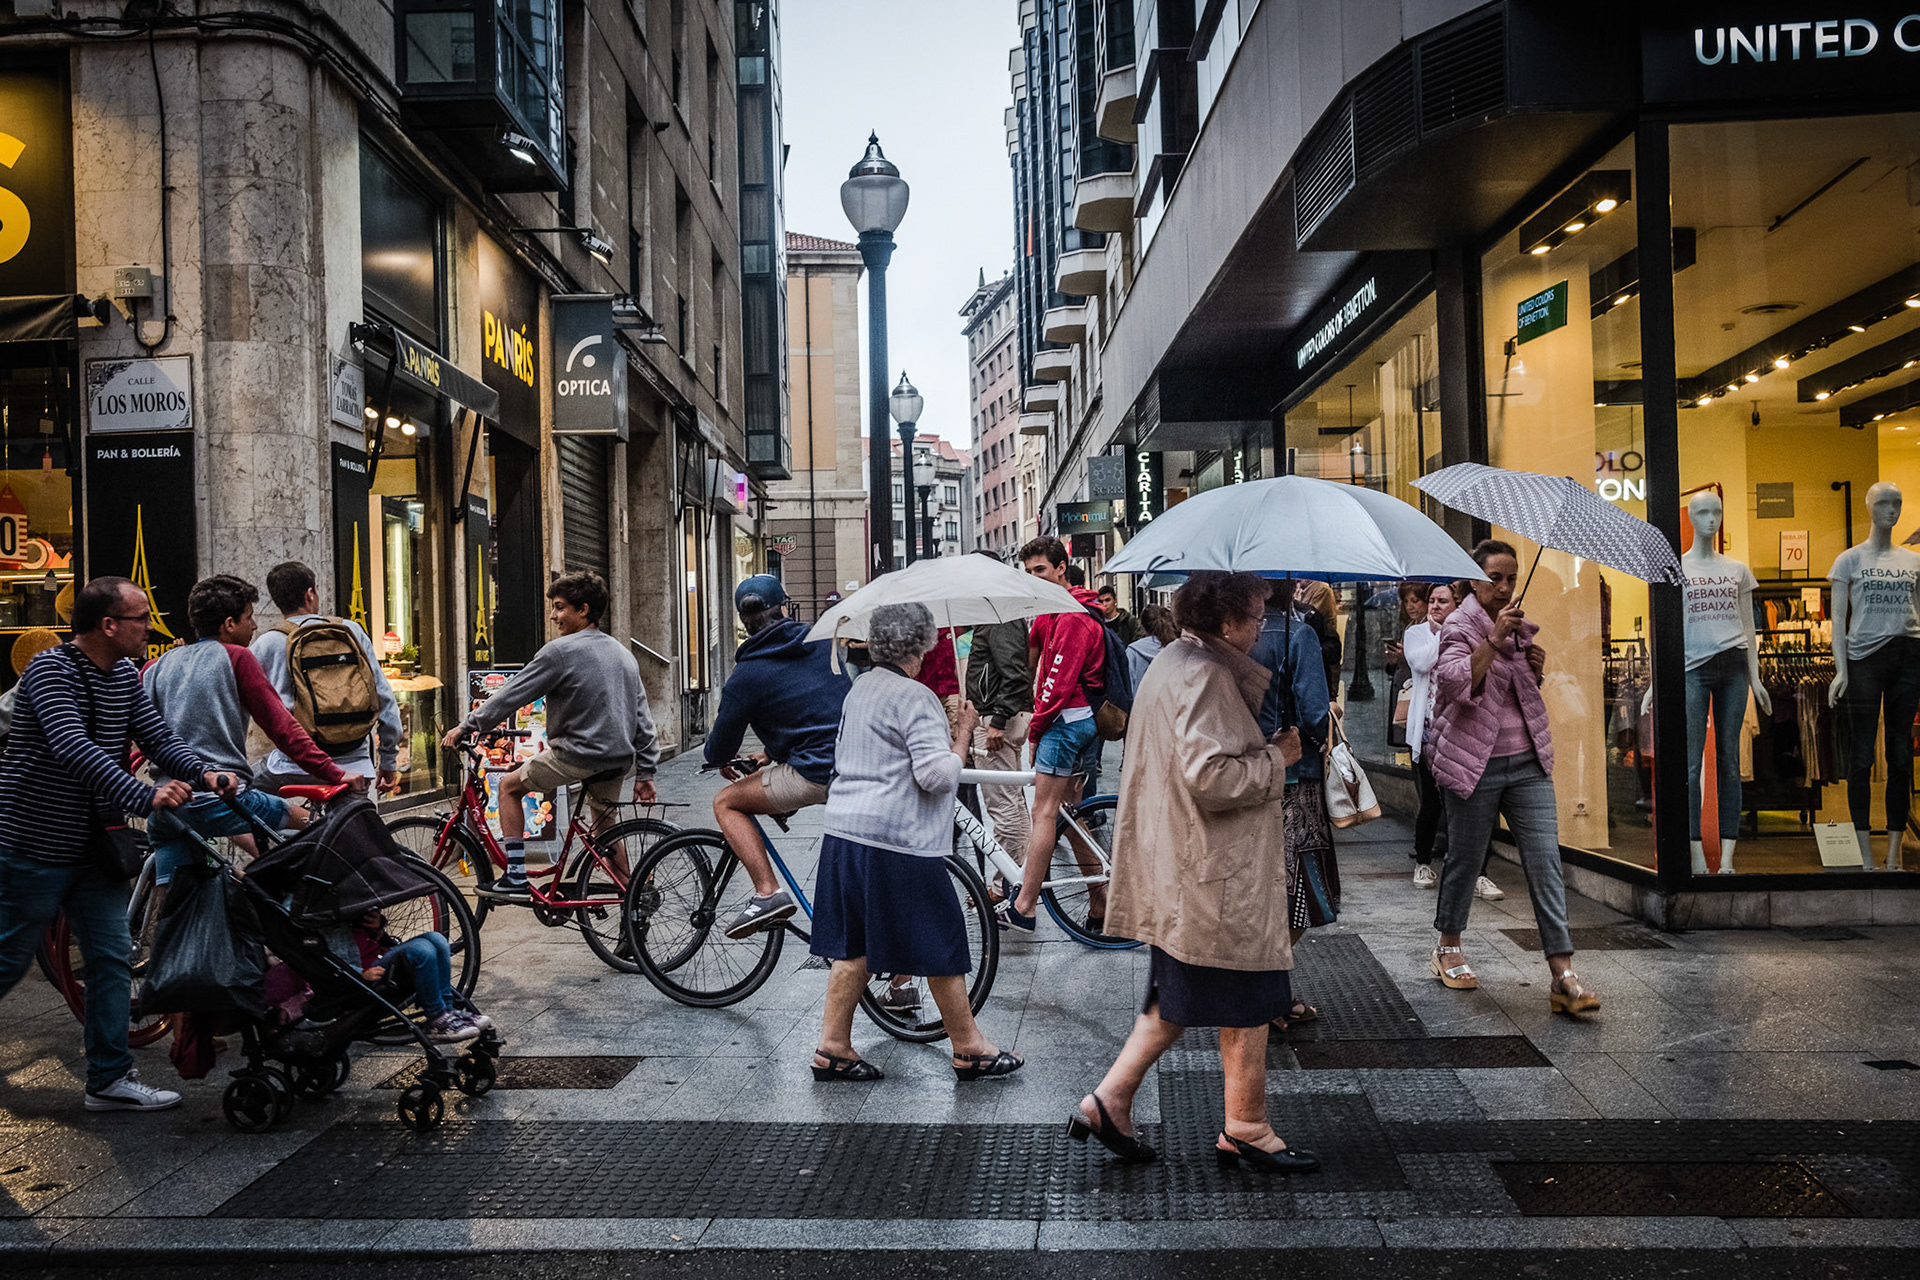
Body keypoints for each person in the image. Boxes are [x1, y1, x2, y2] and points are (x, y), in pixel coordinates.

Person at [1070, 572, 1317, 1174]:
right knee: (1240, 992)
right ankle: (1243, 1125)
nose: (1262, 626)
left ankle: (1126, 1103)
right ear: (1228, 620)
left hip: (1187, 864)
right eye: (1256, 615)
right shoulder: (1205, 674)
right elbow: (1213, 778)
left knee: (1187, 996)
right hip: (1213, 868)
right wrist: (1276, 757)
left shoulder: (1179, 660)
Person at [0, 576, 234, 1112]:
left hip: (94, 847)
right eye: (141, 617)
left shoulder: (125, 675)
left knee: (109, 958)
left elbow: (156, 736)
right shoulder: (50, 670)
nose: (150, 627)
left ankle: (108, 1078)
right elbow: (71, 746)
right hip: (34, 841)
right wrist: (143, 793)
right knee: (8, 958)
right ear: (108, 624)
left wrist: (204, 772)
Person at [807, 603, 1022, 1084]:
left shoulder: (860, 689)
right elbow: (936, 776)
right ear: (922, 646)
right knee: (940, 939)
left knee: (856, 944)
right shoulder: (916, 697)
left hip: (846, 831)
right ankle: (969, 1047)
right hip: (897, 840)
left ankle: (833, 1046)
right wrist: (962, 734)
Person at [1426, 540, 1598, 1015]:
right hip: (1473, 763)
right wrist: (1496, 640)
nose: (1504, 588)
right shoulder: (1459, 625)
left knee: (1544, 861)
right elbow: (1459, 684)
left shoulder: (1518, 627)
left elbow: (1514, 694)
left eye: (1510, 578)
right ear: (1473, 580)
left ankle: (1562, 972)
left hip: (1527, 763)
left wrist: (1533, 670)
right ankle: (1448, 945)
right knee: (1465, 857)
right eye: (1494, 578)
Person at [443, 571, 659, 896]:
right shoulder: (621, 653)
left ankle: (515, 875)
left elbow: (510, 694)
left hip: (577, 755)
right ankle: (633, 893)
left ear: (583, 609)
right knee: (604, 826)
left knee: (508, 787)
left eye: (559, 607)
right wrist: (646, 770)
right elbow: (642, 716)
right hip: (618, 757)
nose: (554, 615)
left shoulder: (560, 652)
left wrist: (468, 725)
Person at [142, 575, 350, 891]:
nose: (254, 627)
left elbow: (144, 732)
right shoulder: (237, 657)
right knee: (316, 826)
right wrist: (334, 773)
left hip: (167, 804)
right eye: (249, 617)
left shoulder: (157, 666)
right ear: (229, 624)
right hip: (218, 798)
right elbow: (283, 728)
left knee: (171, 907)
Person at [703, 574, 849, 938]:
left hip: (815, 771)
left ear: (744, 623)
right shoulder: (821, 643)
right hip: (854, 761)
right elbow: (822, 708)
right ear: (784, 607)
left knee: (726, 803)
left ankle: (767, 893)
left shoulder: (747, 673)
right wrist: (771, 752)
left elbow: (718, 749)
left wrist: (722, 756)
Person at [1007, 536, 1107, 931]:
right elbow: (1035, 661)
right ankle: (1099, 896)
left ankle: (1026, 904)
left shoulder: (1073, 616)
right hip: (1075, 721)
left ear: (1061, 568)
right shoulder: (1054, 612)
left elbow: (1057, 684)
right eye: (1029, 572)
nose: (1034, 577)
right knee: (1068, 814)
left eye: (1041, 570)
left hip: (1066, 722)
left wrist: (1035, 730)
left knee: (1044, 812)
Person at [1250, 580, 1334, 1030]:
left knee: (1264, 891)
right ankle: (1267, 991)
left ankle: (1269, 991)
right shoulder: (1297, 635)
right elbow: (1316, 712)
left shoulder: (1233, 639)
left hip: (1245, 776)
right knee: (1301, 893)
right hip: (1293, 779)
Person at [251, 562, 401, 795]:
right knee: (351, 824)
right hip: (356, 764)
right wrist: (389, 760)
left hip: (294, 764)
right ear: (310, 593)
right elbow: (384, 699)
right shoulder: (351, 631)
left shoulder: (266, 643)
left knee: (245, 794)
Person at [964, 560, 1033, 871]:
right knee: (1013, 804)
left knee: (1004, 807)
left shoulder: (999, 617)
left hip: (997, 718)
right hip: (1000, 714)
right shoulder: (998, 614)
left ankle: (1007, 886)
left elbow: (1016, 674)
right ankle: (1021, 876)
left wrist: (997, 721)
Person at [345, 908, 490, 1044]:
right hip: (364, 971)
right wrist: (358, 973)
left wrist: (377, 926)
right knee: (421, 950)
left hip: (379, 955)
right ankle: (437, 1017)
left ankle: (447, 1010)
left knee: (437, 939)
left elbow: (371, 940)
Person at [1125, 603, 1179, 690]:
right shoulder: (1176, 649)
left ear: (1142, 625)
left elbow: (1129, 685)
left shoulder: (1133, 652)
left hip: (1142, 702)